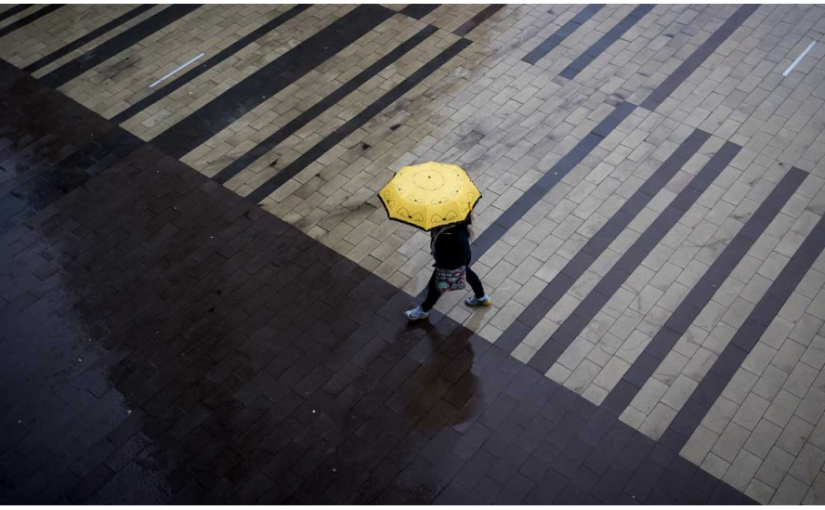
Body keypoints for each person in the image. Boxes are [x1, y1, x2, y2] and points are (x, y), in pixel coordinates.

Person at [405, 215, 491, 321]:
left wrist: (454, 265)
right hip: (449, 261)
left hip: (448, 263)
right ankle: (481, 297)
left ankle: (424, 310)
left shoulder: (457, 234)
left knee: (435, 286)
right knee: (468, 274)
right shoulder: (449, 227)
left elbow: (464, 254)